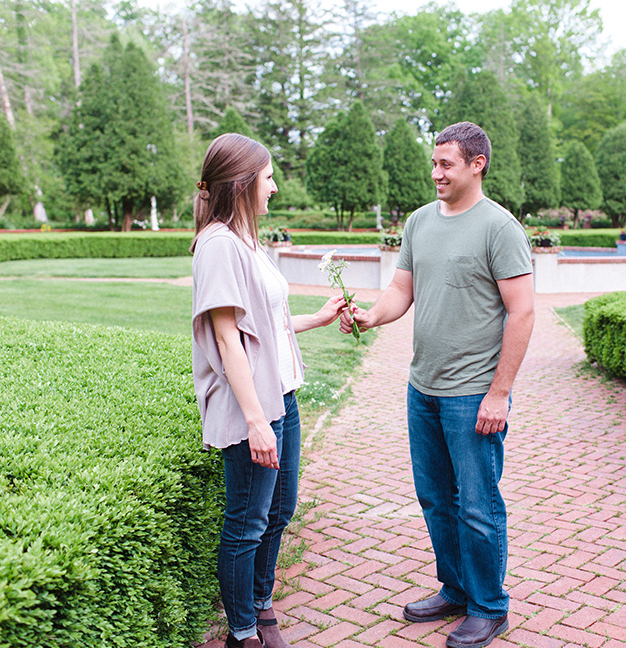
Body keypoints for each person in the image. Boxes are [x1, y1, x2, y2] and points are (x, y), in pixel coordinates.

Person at [340, 122, 535, 648]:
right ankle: (455, 589)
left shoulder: (500, 228)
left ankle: (490, 606)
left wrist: (499, 392)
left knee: (478, 503)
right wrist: (370, 317)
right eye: (434, 162)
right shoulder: (419, 222)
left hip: (473, 392)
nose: (435, 173)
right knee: (435, 499)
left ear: (478, 164)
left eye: (446, 164)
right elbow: (401, 290)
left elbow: (522, 312)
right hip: (422, 387)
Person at [191, 133, 345, 648]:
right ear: (243, 183)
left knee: (279, 510)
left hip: (282, 397)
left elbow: (264, 326)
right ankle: (242, 632)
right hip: (253, 406)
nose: (274, 187)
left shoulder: (246, 241)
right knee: (247, 522)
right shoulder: (216, 245)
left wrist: (317, 319)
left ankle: (261, 605)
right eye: (269, 176)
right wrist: (257, 421)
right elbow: (228, 340)